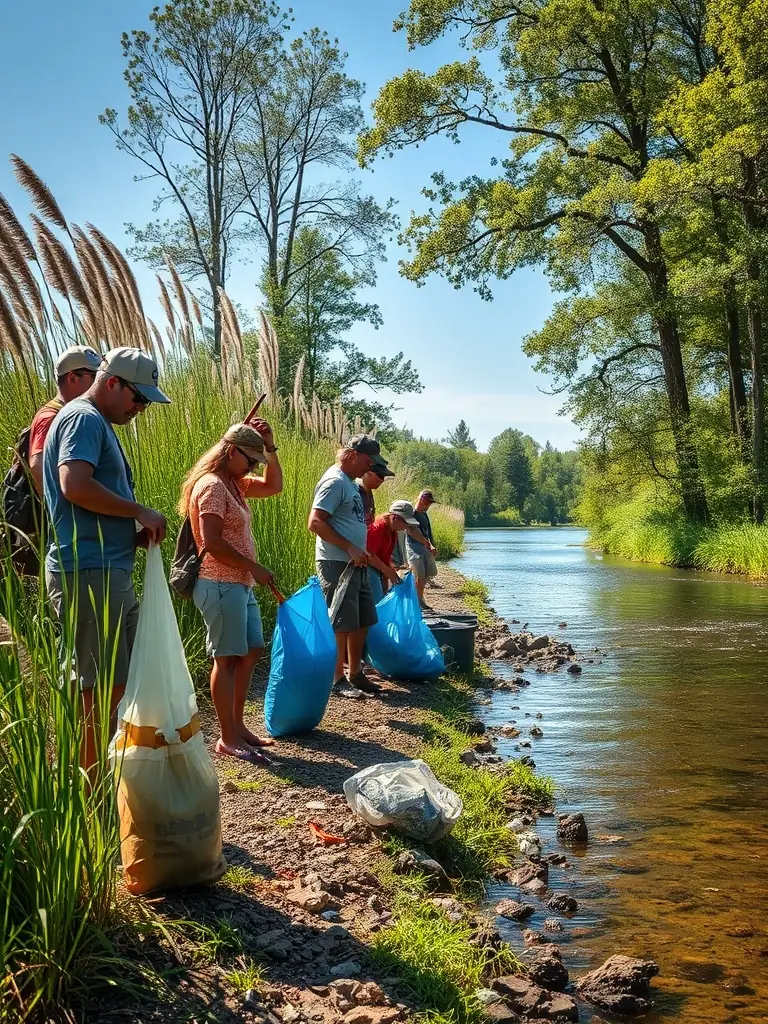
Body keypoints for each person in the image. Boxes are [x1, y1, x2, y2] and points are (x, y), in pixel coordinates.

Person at [43, 347, 170, 770]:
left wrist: (127, 535)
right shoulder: (83, 417)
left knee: (116, 681)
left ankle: (107, 783)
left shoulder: (94, 420)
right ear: (112, 382)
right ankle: (94, 791)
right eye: (140, 398)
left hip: (102, 566)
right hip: (88, 570)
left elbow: (85, 500)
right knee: (99, 688)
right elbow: (74, 485)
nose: (142, 409)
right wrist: (137, 511)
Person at [179, 419, 282, 764]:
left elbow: (274, 486)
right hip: (219, 582)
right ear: (230, 451)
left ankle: (237, 726)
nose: (254, 466)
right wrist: (252, 566)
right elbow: (212, 541)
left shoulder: (235, 484)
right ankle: (226, 738)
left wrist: (269, 446)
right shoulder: (212, 486)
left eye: (256, 460)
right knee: (225, 659)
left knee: (251, 650)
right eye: (250, 459)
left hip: (239, 584)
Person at [308, 435, 382, 699]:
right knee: (341, 622)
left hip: (355, 562)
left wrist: (358, 548)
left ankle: (355, 672)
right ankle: (337, 677)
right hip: (337, 562)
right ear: (352, 454)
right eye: (367, 460)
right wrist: (348, 547)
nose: (369, 467)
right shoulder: (334, 481)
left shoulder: (349, 483)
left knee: (362, 618)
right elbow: (315, 522)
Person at [29, 346, 103, 493]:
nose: (100, 383)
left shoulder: (74, 413)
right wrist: (64, 507)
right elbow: (38, 466)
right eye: (95, 376)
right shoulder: (50, 416)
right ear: (73, 378)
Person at [366, 501, 416, 601]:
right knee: (377, 601)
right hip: (367, 568)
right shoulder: (378, 527)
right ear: (395, 517)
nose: (407, 526)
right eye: (406, 522)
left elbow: (385, 556)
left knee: (383, 597)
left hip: (378, 569)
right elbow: (368, 555)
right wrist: (387, 570)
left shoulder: (393, 531)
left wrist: (391, 570)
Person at [406, 489, 439, 610]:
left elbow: (428, 533)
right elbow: (413, 533)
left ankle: (419, 600)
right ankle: (417, 603)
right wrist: (428, 544)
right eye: (426, 502)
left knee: (424, 577)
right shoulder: (411, 513)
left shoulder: (424, 515)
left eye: (429, 503)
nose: (427, 506)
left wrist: (432, 545)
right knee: (419, 577)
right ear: (420, 499)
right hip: (414, 550)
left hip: (425, 549)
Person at [358, 457, 394, 527]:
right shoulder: (354, 490)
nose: (381, 480)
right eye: (379, 475)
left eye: (383, 477)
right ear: (367, 472)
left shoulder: (368, 490)